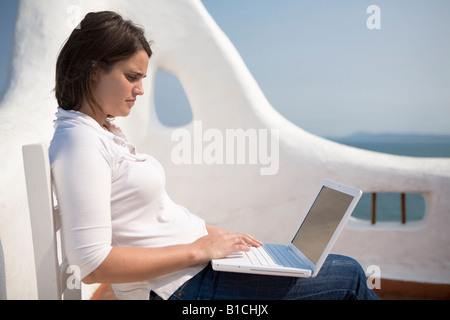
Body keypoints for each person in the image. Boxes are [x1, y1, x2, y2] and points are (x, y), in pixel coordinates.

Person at [49, 11, 377, 300]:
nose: (140, 90)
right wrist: (199, 249)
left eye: (142, 79)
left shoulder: (101, 132)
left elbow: (153, 217)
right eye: (131, 77)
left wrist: (213, 234)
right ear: (93, 71)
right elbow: (91, 264)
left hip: (194, 271)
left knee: (328, 271)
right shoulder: (80, 141)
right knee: (347, 276)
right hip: (177, 289)